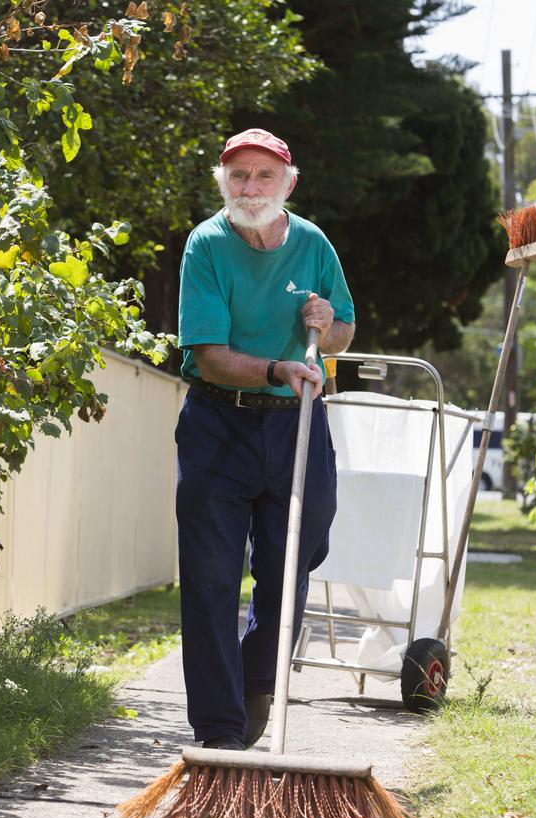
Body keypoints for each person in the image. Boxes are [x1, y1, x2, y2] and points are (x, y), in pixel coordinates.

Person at [176, 128, 355, 750]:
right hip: (218, 424)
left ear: (289, 182)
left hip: (297, 423)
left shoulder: (312, 242)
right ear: (224, 182)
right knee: (211, 578)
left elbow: (343, 335)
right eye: (239, 177)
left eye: (263, 176)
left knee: (293, 562)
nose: (250, 188)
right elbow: (212, 355)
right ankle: (220, 733)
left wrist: (327, 326)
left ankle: (257, 681)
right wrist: (279, 369)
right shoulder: (206, 245)